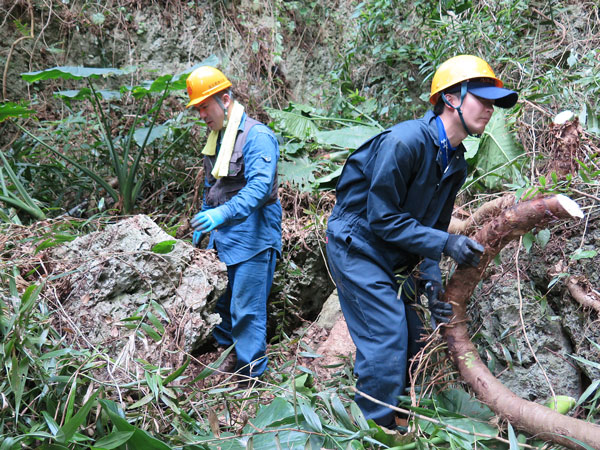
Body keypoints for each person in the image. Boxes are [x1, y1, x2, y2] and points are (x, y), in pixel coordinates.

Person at [325, 55, 518, 428]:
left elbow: (432, 228)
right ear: (451, 99)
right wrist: (446, 245)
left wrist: (433, 289)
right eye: (482, 99)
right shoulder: (405, 141)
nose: (490, 110)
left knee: (414, 342)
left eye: (494, 103)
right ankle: (374, 432)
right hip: (357, 247)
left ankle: (400, 418)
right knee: (386, 339)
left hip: (395, 255)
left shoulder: (456, 161)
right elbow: (382, 219)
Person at [185, 66, 281, 379]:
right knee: (222, 306)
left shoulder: (257, 137)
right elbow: (212, 188)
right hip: (223, 240)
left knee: (247, 310)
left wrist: (222, 214)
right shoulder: (216, 140)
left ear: (225, 99)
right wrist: (202, 222)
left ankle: (251, 376)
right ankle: (230, 358)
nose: (201, 115)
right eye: (197, 109)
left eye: (204, 107)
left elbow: (259, 188)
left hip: (253, 238)